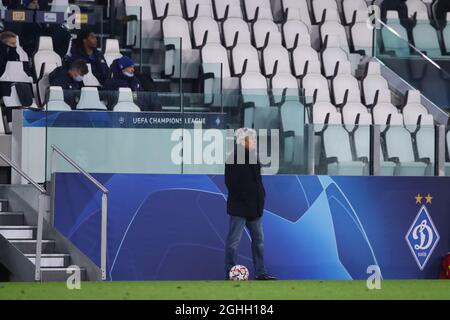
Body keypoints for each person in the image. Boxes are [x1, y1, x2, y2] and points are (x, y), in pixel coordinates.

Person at [224, 128, 276, 281]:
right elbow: (231, 184)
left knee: (258, 240)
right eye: (252, 139)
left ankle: (260, 272)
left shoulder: (254, 158)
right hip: (240, 208)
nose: (254, 141)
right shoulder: (233, 158)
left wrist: (260, 197)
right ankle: (229, 272)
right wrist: (247, 199)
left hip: (255, 209)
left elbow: (257, 181)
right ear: (243, 141)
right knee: (234, 241)